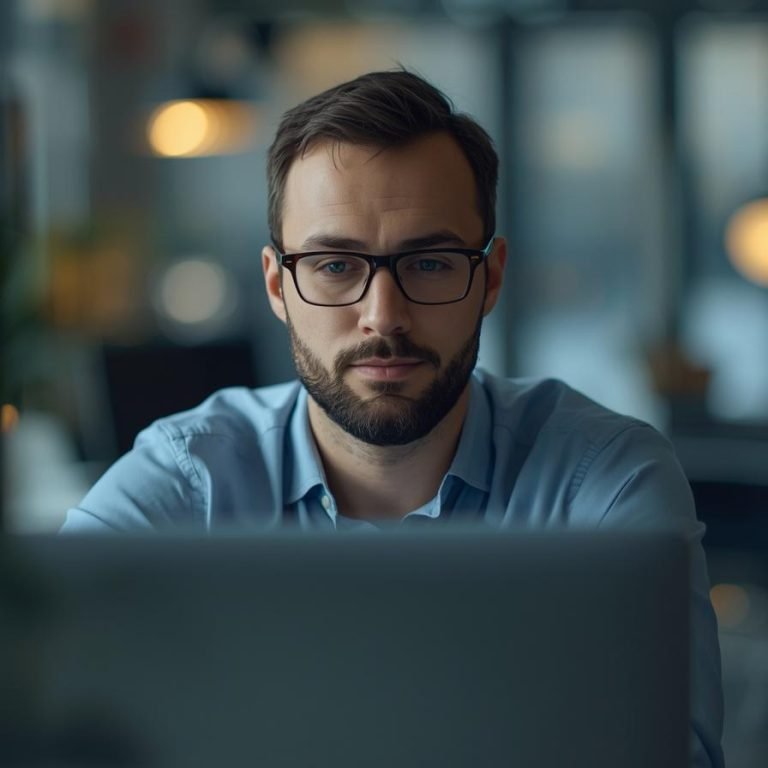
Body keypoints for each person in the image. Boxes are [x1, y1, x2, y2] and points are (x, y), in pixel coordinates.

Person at [61, 70, 724, 766]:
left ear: (491, 278)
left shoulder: (603, 481)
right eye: (334, 265)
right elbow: (40, 714)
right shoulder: (185, 481)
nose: (384, 316)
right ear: (278, 285)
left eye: (430, 263)